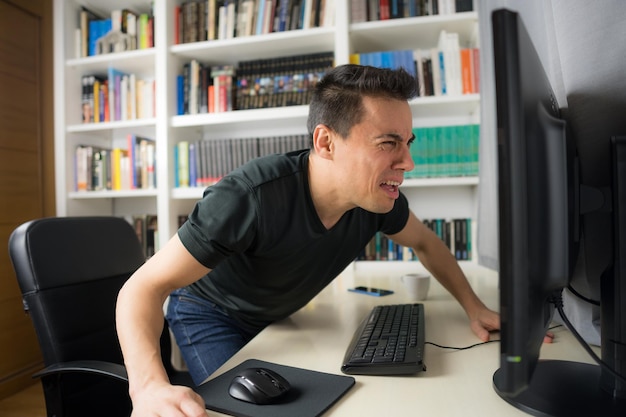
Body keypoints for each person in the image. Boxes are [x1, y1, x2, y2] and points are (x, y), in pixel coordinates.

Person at [116, 64, 500, 416]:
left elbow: (427, 243)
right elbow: (142, 287)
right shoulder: (248, 197)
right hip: (211, 312)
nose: (407, 162)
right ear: (326, 142)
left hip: (274, 315)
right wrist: (147, 387)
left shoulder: (377, 200)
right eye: (388, 143)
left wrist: (475, 307)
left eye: (407, 143)